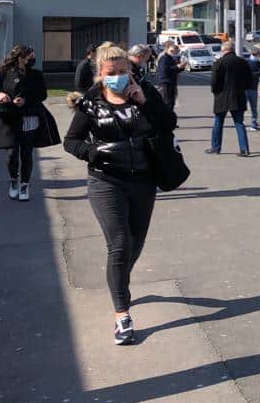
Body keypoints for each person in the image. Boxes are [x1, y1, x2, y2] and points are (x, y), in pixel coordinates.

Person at [63, 42, 176, 345]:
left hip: (143, 180)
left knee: (135, 244)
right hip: (106, 181)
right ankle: (122, 315)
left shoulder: (145, 93)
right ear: (100, 73)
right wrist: (93, 152)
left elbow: (169, 123)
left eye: (123, 71)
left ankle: (120, 282)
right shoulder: (91, 101)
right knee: (120, 243)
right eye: (111, 72)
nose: (118, 77)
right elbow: (71, 141)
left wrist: (144, 101)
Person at [0, 44, 56, 201]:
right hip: (9, 119)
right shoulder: (4, 73)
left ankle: (25, 184)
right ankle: (14, 181)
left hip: (29, 118)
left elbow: (42, 95)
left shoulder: (36, 74)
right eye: (30, 56)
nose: (32, 59)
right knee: (11, 154)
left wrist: (26, 100)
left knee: (26, 153)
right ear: (20, 58)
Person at [207, 40, 251, 156]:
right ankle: (244, 149)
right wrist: (242, 88)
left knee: (218, 123)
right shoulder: (242, 62)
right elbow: (249, 80)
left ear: (224, 50)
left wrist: (215, 92)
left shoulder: (219, 63)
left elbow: (214, 81)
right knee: (239, 123)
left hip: (221, 97)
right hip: (238, 96)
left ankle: (215, 147)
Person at [155, 41, 186, 113]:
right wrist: (176, 66)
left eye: (176, 51)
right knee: (167, 102)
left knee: (171, 102)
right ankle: (167, 121)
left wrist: (182, 67)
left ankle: (169, 120)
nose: (175, 53)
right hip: (166, 83)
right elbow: (165, 70)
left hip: (171, 83)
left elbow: (174, 70)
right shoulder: (164, 58)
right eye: (175, 51)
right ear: (169, 50)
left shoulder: (170, 58)